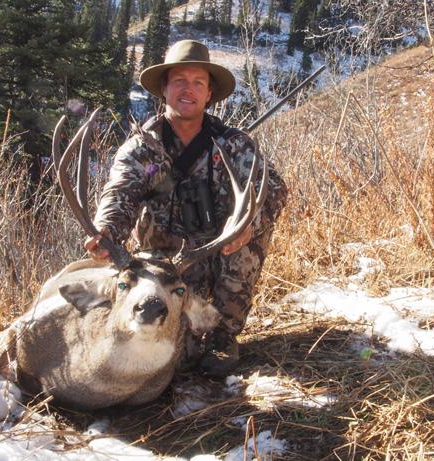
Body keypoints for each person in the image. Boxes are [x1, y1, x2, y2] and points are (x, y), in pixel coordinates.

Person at [84, 40, 287, 376]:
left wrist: (249, 223)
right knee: (179, 351)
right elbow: (120, 192)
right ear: (164, 89)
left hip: (223, 252)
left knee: (250, 235)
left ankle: (223, 337)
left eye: (198, 83)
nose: (187, 90)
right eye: (179, 80)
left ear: (209, 94)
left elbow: (276, 190)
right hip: (167, 261)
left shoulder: (233, 145)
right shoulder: (142, 150)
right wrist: (106, 230)